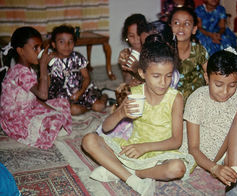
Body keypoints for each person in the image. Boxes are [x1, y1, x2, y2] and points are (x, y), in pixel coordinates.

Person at [81, 34, 194, 195]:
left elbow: (176, 141)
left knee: (177, 168)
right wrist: (121, 113)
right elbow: (106, 128)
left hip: (161, 152)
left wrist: (145, 147)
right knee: (89, 140)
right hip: (133, 147)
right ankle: (132, 179)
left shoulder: (175, 98)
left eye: (168, 76)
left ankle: (126, 173)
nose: (163, 82)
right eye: (156, 76)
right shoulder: (134, 93)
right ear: (142, 73)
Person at [184, 49, 237, 193]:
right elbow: (193, 148)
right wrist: (214, 168)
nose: (225, 92)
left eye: (232, 85)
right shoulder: (196, 99)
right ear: (207, 78)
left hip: (232, 148)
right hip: (208, 154)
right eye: (218, 85)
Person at [0, 26, 72, 149]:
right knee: (55, 119)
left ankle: (51, 125)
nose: (39, 52)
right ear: (21, 51)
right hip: (15, 118)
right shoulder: (20, 72)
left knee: (63, 103)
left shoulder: (28, 69)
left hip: (29, 106)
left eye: (40, 47)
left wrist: (52, 109)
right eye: (35, 48)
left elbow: (37, 97)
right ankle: (37, 133)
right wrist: (43, 67)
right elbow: (43, 95)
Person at [48, 24, 107, 116]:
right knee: (74, 110)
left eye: (70, 42)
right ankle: (85, 109)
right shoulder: (50, 61)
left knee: (99, 107)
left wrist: (80, 92)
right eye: (61, 42)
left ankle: (104, 96)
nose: (67, 45)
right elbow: (47, 82)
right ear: (54, 44)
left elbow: (86, 77)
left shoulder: (77, 57)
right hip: (62, 95)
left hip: (82, 90)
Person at [169, 6, 208, 102]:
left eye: (187, 23)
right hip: (171, 103)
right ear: (170, 27)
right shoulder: (164, 52)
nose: (181, 27)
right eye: (176, 23)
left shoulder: (199, 50)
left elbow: (210, 75)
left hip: (197, 102)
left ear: (194, 29)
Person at [118, 14, 147, 85]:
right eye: (131, 36)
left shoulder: (152, 52)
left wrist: (137, 68)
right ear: (126, 37)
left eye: (139, 34)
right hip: (134, 89)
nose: (136, 39)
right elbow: (127, 81)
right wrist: (129, 70)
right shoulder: (125, 54)